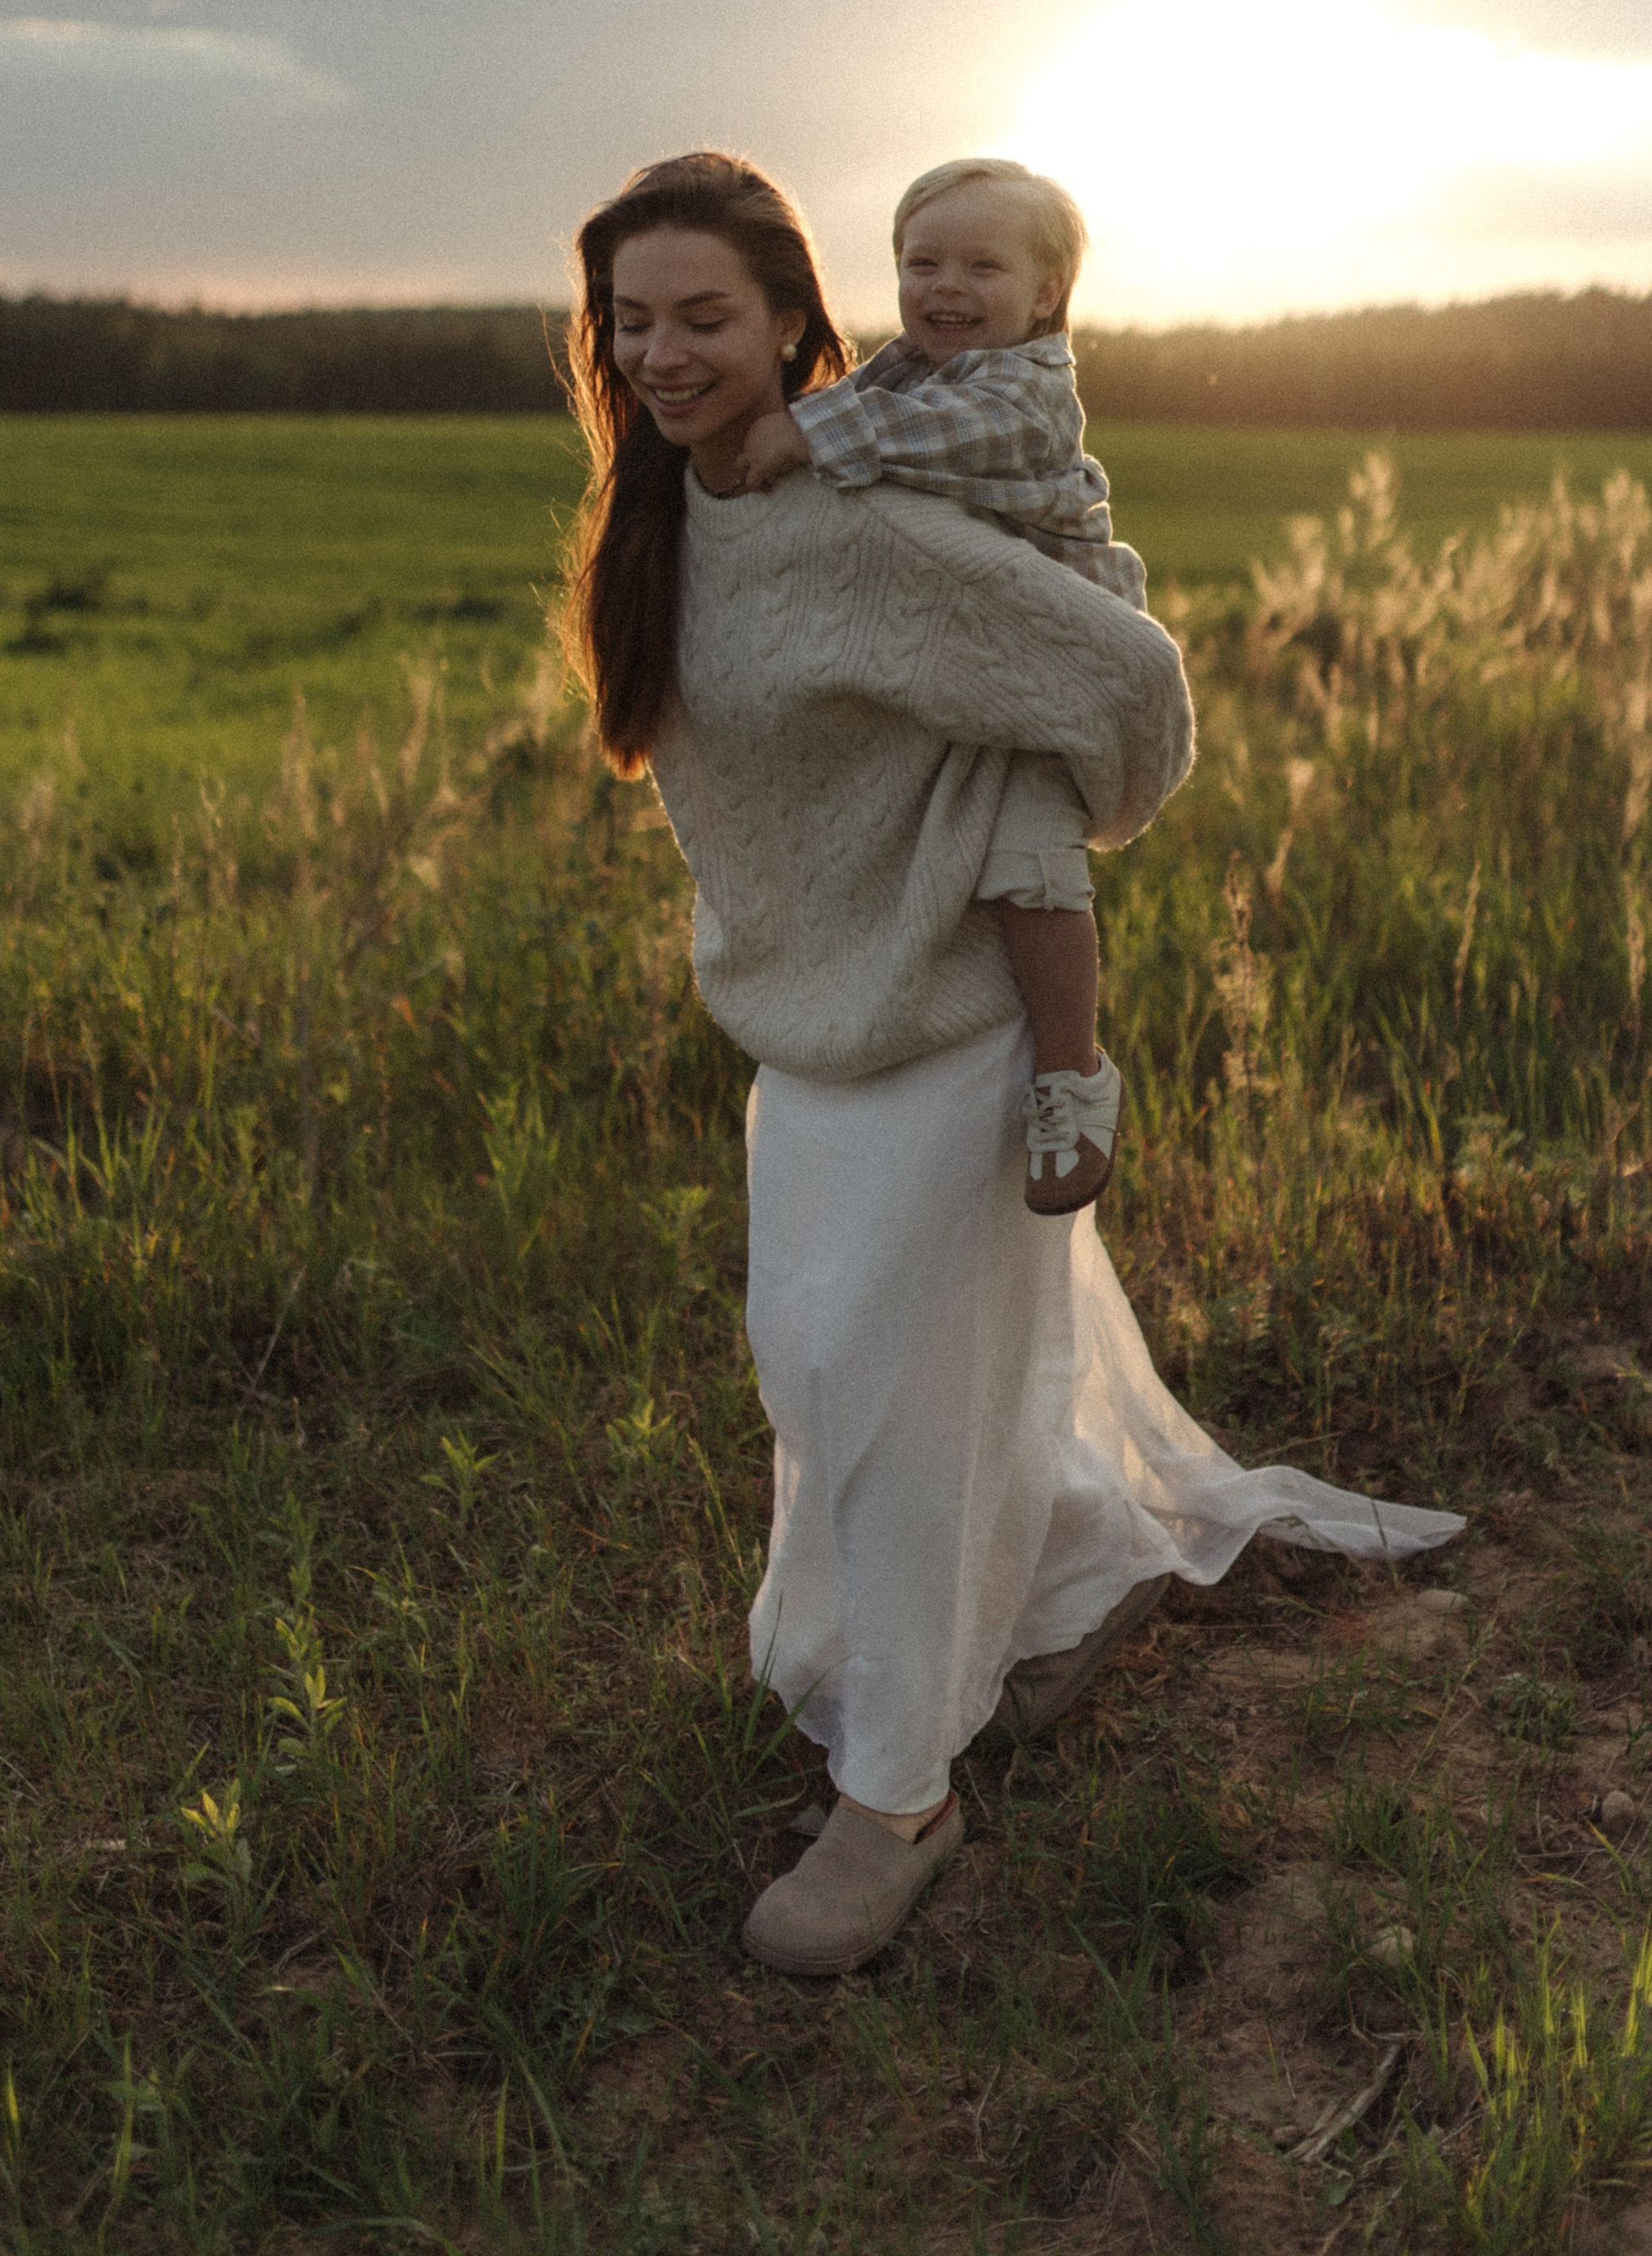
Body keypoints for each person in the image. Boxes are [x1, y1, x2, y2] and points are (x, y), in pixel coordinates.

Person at [563, 149, 1463, 1980]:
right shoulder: (670, 514)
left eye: (703, 316)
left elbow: (1126, 685)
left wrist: (1039, 818)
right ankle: (1068, 1589)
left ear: (796, 325)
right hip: (806, 1036)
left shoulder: (863, 521)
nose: (661, 351)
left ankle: (900, 1797)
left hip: (946, 1034)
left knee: (889, 1415)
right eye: (629, 318)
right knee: (829, 1383)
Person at [730, 155, 1136, 1218]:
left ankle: (1069, 1075)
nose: (945, 287)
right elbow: (865, 404)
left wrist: (801, 435)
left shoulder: (1026, 391)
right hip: (960, 660)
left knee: (1030, 867)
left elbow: (925, 440)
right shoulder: (908, 367)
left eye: (981, 267)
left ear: (1045, 295)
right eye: (923, 262)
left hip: (1053, 664)